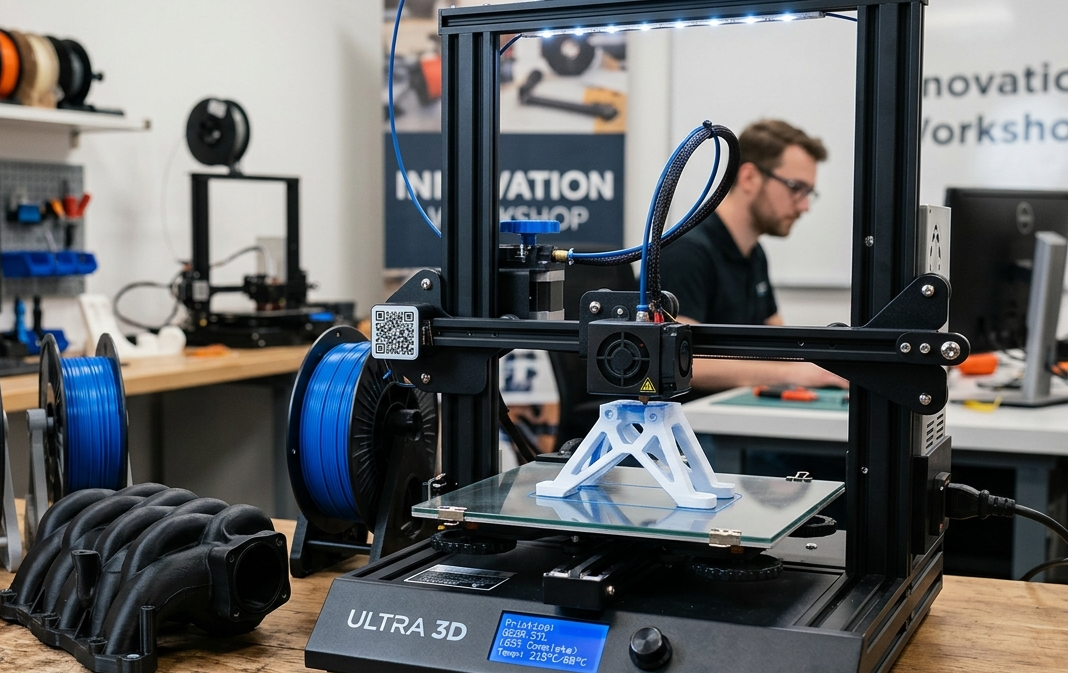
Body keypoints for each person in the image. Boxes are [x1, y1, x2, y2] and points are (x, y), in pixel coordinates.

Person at [660, 119, 847, 391]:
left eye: (809, 193)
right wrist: (795, 375)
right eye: (796, 187)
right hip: (692, 423)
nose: (805, 206)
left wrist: (826, 366)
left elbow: (777, 343)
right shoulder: (687, 253)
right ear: (749, 178)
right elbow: (679, 362)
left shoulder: (753, 253)